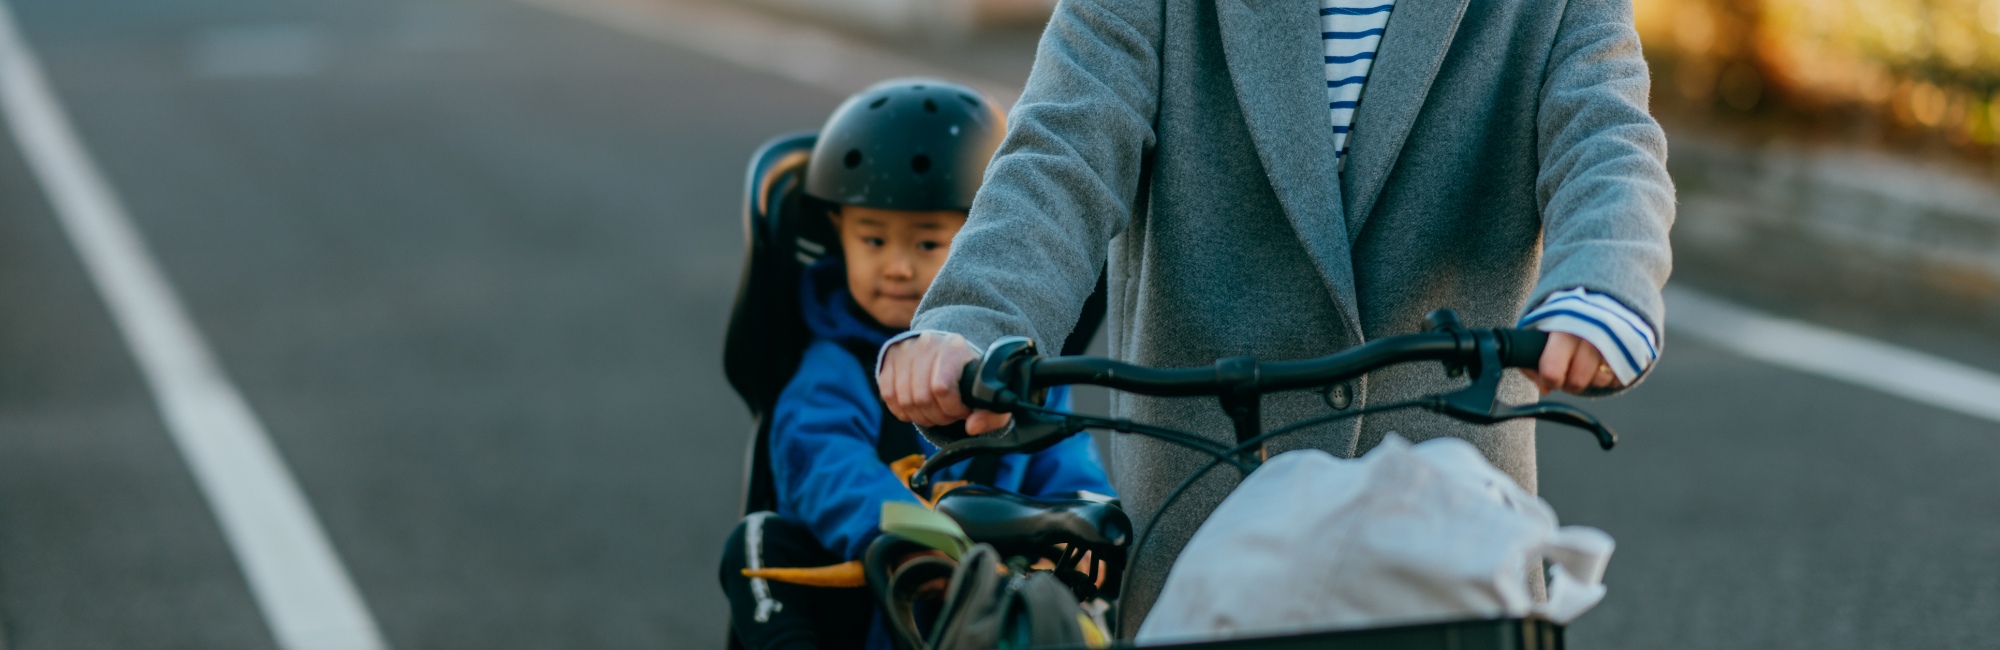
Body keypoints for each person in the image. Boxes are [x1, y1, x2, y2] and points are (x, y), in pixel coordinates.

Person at [875, 0, 1674, 632]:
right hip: (1204, 525)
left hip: (1450, 537)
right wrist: (972, 322)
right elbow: (1061, 152)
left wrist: (1602, 287)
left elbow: (1608, 142)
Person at [719, 79, 1115, 650]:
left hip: (988, 601)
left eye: (927, 245)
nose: (897, 267)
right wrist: (914, 535)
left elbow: (1066, 463)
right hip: (866, 592)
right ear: (839, 235)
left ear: (982, 241)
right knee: (758, 542)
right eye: (873, 241)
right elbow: (821, 462)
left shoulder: (1016, 369)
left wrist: (1082, 525)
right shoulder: (835, 362)